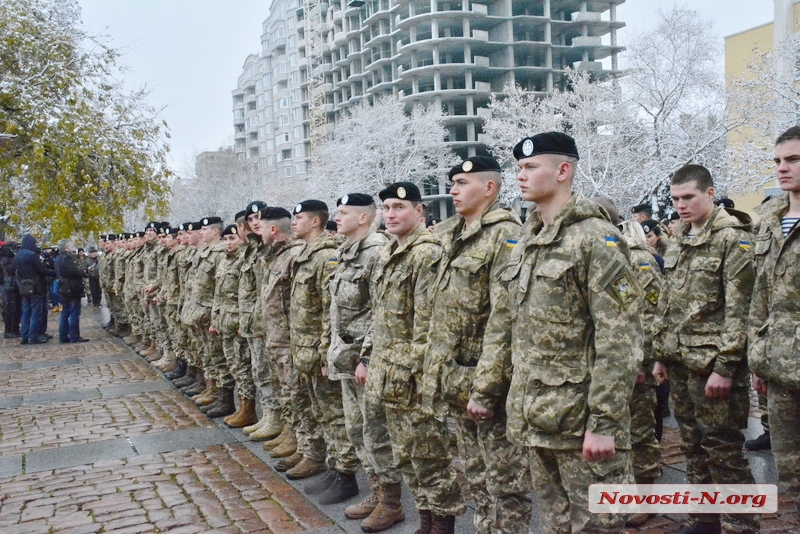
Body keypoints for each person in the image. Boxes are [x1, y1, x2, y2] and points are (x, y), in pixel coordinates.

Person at [468, 132, 641, 533]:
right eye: (518, 169)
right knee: (557, 524)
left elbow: (620, 339)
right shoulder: (528, 240)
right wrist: (487, 389)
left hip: (580, 421)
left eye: (530, 168)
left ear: (563, 171)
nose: (520, 177)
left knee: (597, 526)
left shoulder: (597, 239)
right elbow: (503, 323)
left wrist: (604, 423)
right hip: (535, 416)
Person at [423, 156, 532, 534]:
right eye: (452, 182)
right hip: (457, 380)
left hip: (490, 385)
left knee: (506, 483)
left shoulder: (505, 235)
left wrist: (487, 389)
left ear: (489, 188)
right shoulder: (451, 235)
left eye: (461, 183)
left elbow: (506, 320)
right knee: (476, 476)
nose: (452, 190)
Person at [652, 164, 759, 534]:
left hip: (714, 365)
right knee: (693, 445)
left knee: (724, 449)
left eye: (689, 197)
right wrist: (660, 354)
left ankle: (740, 524)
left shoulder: (733, 238)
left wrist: (727, 367)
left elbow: (741, 308)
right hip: (681, 362)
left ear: (710, 194)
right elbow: (669, 299)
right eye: (675, 198)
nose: (681, 205)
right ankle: (705, 518)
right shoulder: (680, 236)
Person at [368, 182, 465, 533]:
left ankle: (441, 525)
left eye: (399, 207)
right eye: (387, 208)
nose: (391, 214)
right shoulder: (390, 253)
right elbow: (380, 317)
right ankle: (425, 522)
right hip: (391, 376)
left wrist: (420, 378)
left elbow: (429, 324)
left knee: (431, 459)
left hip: (414, 379)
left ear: (419, 212)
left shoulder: (426, 254)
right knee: (407, 458)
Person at [328, 193, 402, 530]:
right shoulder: (346, 253)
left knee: (376, 432)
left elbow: (381, 310)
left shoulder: (375, 252)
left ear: (363, 218)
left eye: (343, 213)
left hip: (365, 360)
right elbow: (339, 312)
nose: (337, 217)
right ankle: (375, 492)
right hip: (347, 358)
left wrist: (368, 358)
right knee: (358, 431)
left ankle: (392, 502)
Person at [749, 125, 800, 517]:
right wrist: (758, 358)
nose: (782, 169)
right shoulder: (769, 218)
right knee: (792, 473)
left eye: (793, 160)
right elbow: (760, 298)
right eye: (778, 161)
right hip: (781, 370)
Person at [14, 235, 55, 344]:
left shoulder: (18, 255)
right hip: (35, 286)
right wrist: (54, 273)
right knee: (36, 312)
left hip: (24, 286)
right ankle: (33, 336)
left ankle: (24, 335)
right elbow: (41, 270)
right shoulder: (31, 255)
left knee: (26, 312)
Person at [53, 239, 89, 343]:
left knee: (65, 312)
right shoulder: (67, 258)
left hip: (63, 287)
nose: (72, 247)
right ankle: (74, 336)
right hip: (71, 288)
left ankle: (63, 336)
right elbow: (73, 272)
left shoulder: (58, 258)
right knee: (73, 313)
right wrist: (83, 272)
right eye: (70, 245)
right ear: (66, 247)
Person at [1, 243, 21, 338]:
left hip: (15, 284)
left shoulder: (11, 258)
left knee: (17, 308)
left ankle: (15, 329)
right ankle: (8, 330)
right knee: (11, 308)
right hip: (10, 286)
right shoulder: (5, 259)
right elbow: (11, 270)